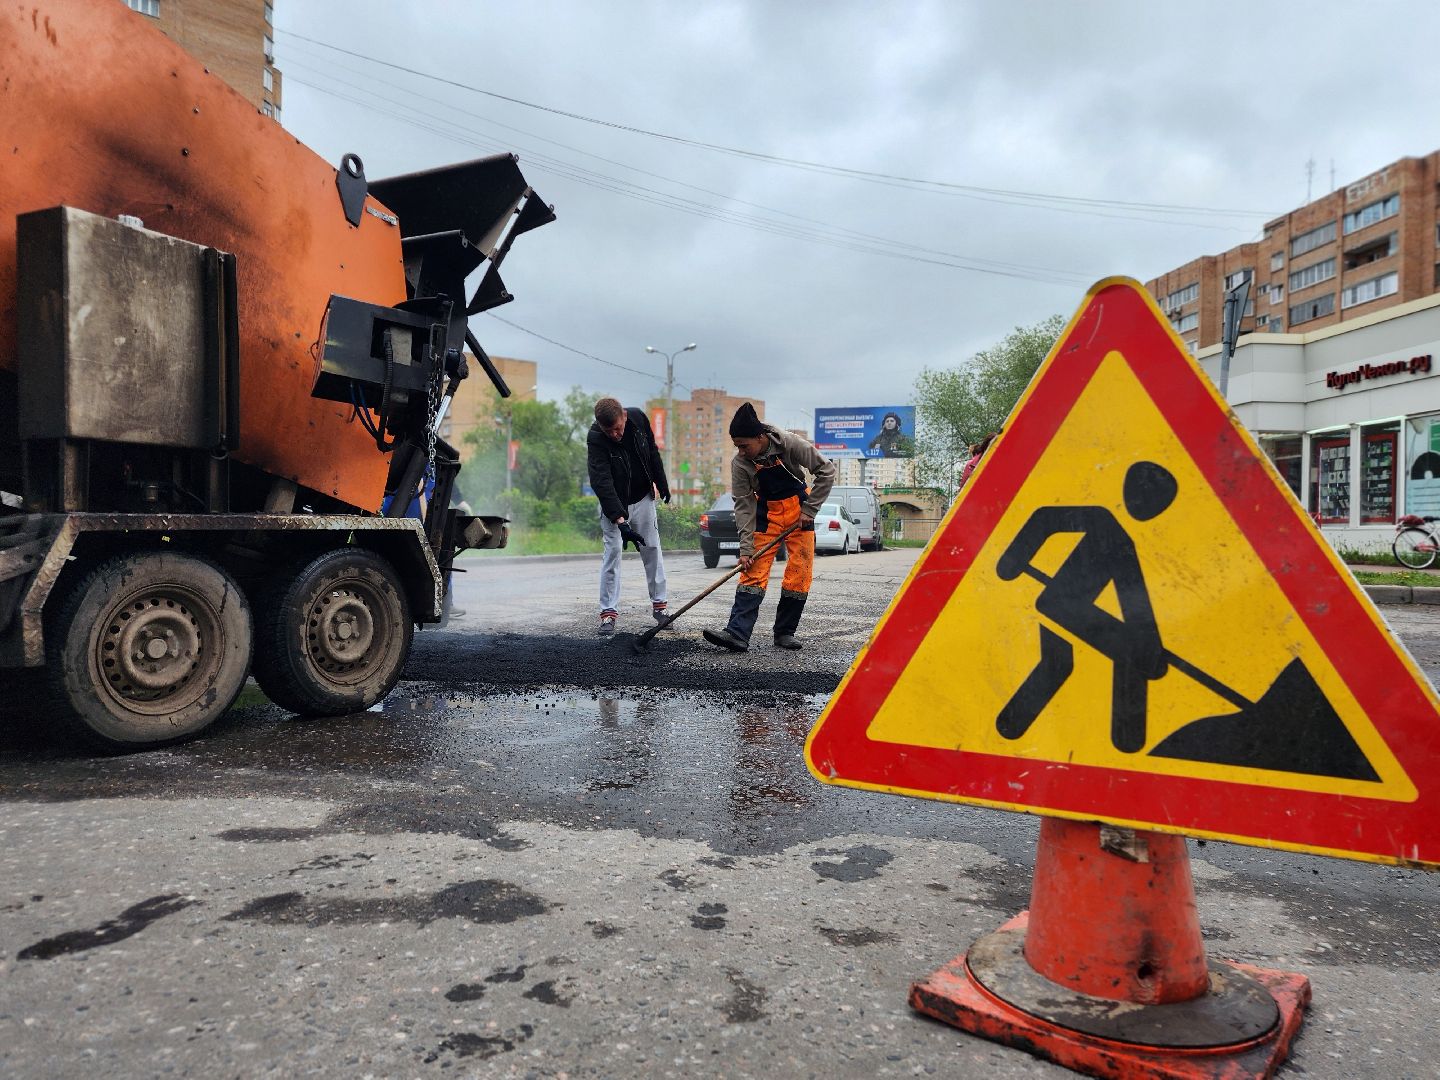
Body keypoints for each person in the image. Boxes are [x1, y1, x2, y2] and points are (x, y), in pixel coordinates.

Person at [703, 403, 836, 652]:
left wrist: (810, 510)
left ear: (760, 437)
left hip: (799, 510)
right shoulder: (740, 464)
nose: (741, 452)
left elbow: (826, 471)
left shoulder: (789, 443)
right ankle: (737, 633)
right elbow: (743, 506)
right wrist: (745, 549)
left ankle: (785, 633)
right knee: (753, 570)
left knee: (800, 571)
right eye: (737, 447)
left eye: (745, 445)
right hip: (767, 513)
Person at [586, 397, 671, 634]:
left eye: (618, 428)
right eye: (608, 430)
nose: (614, 434)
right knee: (612, 553)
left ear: (624, 416)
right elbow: (601, 482)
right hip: (615, 504)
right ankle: (608, 614)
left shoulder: (639, 418)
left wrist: (662, 483)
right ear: (600, 426)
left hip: (643, 497)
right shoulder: (595, 439)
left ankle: (660, 608)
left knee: (652, 548)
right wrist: (620, 521)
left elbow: (652, 451)